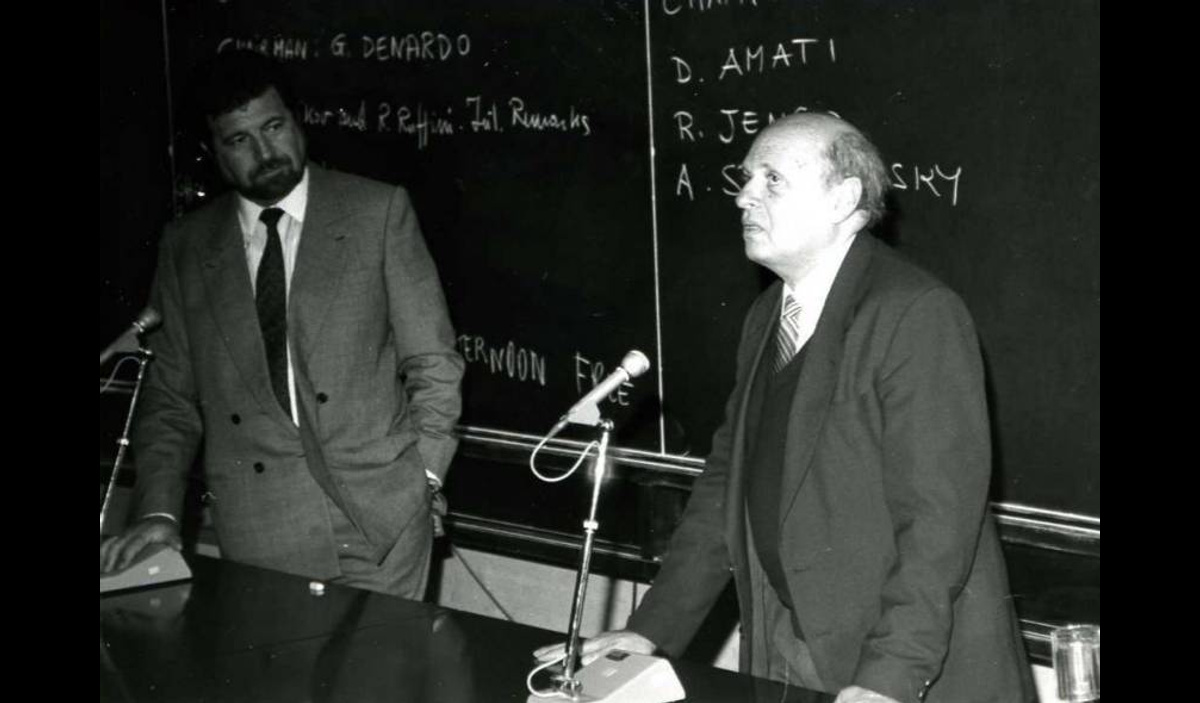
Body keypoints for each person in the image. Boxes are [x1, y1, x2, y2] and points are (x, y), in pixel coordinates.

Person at [535, 113, 1034, 703]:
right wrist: (652, 629)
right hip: (789, 646)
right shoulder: (768, 314)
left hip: (899, 667)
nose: (743, 196)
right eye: (747, 178)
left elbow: (938, 524)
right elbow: (726, 484)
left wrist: (889, 678)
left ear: (843, 199)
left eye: (772, 180)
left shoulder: (914, 312)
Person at [99, 50, 464, 599]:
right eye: (239, 139)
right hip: (261, 528)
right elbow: (170, 399)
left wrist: (424, 479)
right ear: (213, 153)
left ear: (298, 121)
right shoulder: (187, 246)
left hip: (384, 520)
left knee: (386, 656)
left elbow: (434, 363)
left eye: (273, 127)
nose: (265, 152)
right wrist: (158, 511)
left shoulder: (377, 212)